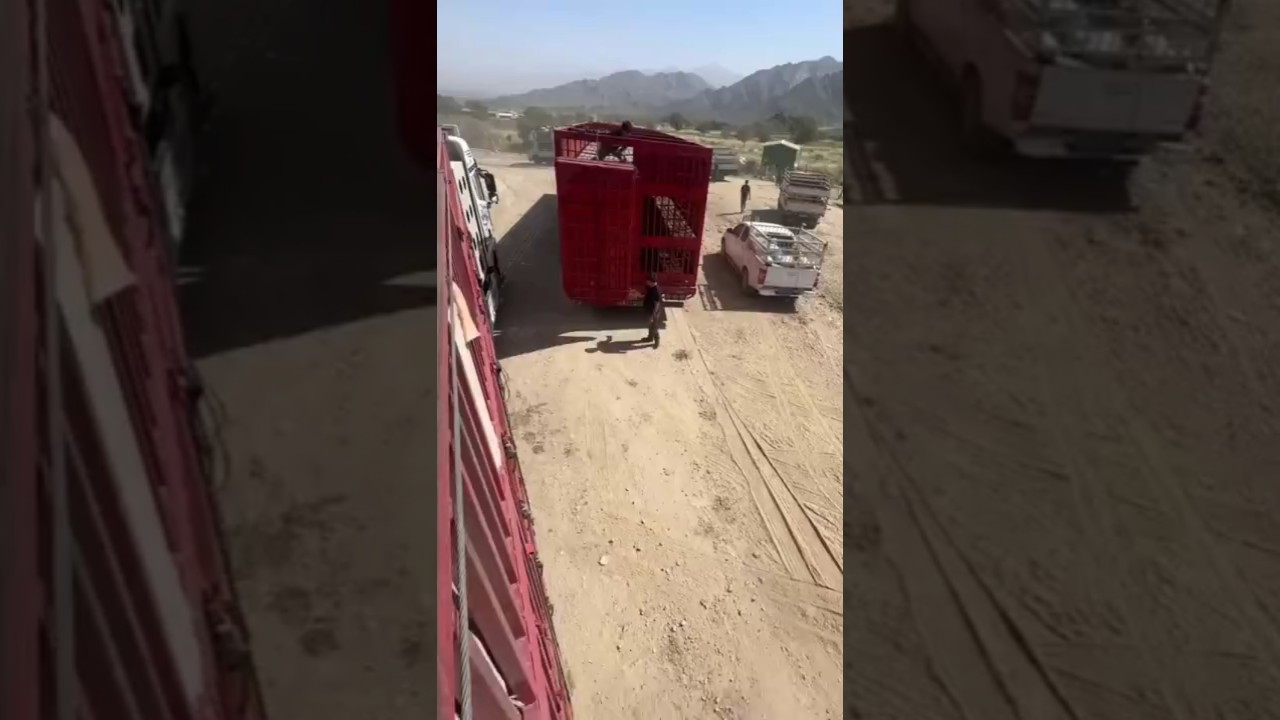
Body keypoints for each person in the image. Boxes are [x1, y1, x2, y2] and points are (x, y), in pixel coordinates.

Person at [642, 273, 663, 348]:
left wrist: (652, 316)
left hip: (654, 312)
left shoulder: (656, 291)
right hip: (650, 310)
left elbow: (657, 305)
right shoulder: (651, 287)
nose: (646, 282)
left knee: (654, 327)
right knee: (650, 326)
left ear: (651, 281)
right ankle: (650, 338)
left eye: (647, 281)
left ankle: (656, 342)